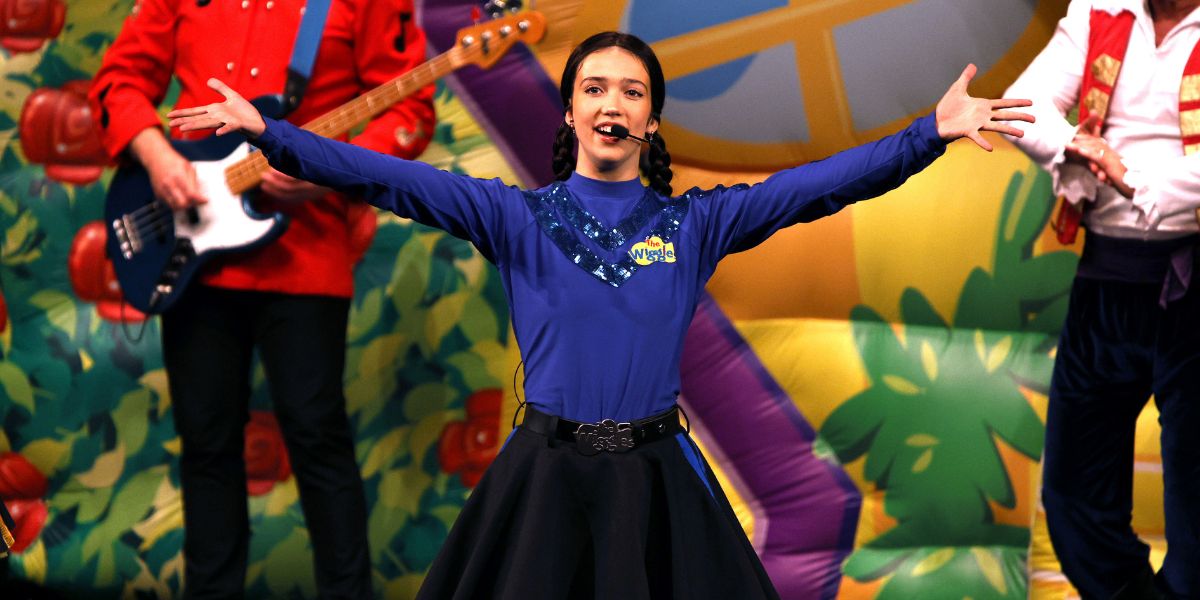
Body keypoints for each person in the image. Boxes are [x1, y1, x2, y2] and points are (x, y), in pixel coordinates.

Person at [167, 30, 1032, 599]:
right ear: (572, 110)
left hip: (654, 481)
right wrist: (271, 136)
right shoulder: (515, 216)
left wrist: (929, 133)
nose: (612, 104)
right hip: (544, 476)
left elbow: (818, 187)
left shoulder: (696, 224)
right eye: (594, 89)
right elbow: (385, 177)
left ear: (651, 119)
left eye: (630, 92)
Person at [87, 0, 435, 598]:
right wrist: (157, 155)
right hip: (192, 250)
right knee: (206, 445)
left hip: (307, 257)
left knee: (318, 441)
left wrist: (329, 170)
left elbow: (412, 109)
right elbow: (119, 79)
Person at [1004, 1, 1200, 598]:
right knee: (1073, 502)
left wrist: (1130, 179)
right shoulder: (1099, 8)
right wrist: (1077, 145)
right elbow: (1019, 106)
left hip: (1194, 280)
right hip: (1106, 278)